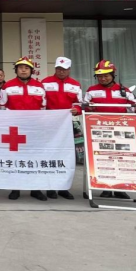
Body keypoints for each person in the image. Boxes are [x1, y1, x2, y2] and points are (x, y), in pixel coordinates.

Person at [85, 59, 136, 200]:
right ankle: (104, 187)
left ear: (112, 75)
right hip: (99, 131)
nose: (103, 78)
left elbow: (134, 105)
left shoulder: (124, 91)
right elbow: (84, 106)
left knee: (120, 159)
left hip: (121, 133)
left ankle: (120, 189)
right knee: (102, 159)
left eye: (106, 75)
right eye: (99, 76)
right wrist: (85, 108)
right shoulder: (91, 90)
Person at [0, 57, 47, 201]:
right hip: (15, 129)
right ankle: (16, 188)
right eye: (20, 68)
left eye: (27, 68)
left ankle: (35, 189)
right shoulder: (7, 86)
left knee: (35, 158)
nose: (24, 70)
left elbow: (43, 108)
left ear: (31, 71)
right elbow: (2, 107)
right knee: (16, 159)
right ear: (16, 70)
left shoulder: (39, 87)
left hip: (34, 128)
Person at [42, 57, 82, 200]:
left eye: (64, 69)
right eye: (59, 69)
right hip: (49, 125)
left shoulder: (75, 84)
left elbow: (79, 104)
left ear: (69, 70)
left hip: (67, 125)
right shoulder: (45, 82)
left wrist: (77, 110)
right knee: (50, 155)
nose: (61, 72)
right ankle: (50, 187)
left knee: (67, 156)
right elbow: (41, 102)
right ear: (55, 69)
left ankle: (64, 187)